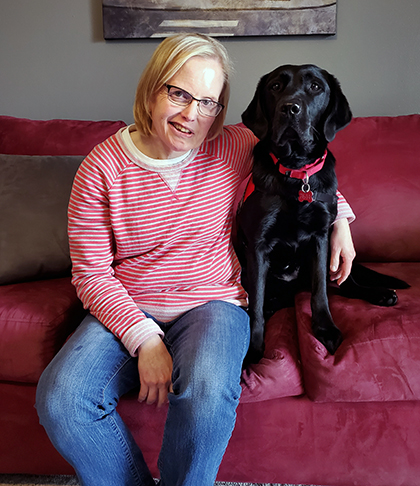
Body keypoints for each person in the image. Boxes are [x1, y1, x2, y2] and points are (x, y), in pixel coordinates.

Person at [36, 33, 356, 486]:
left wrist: (340, 217)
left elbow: (304, 169)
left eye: (208, 102)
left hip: (214, 300)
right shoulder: (100, 168)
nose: (191, 115)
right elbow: (90, 274)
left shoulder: (232, 145)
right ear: (151, 90)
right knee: (62, 401)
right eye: (178, 93)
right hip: (129, 305)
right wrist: (145, 340)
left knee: (207, 393)